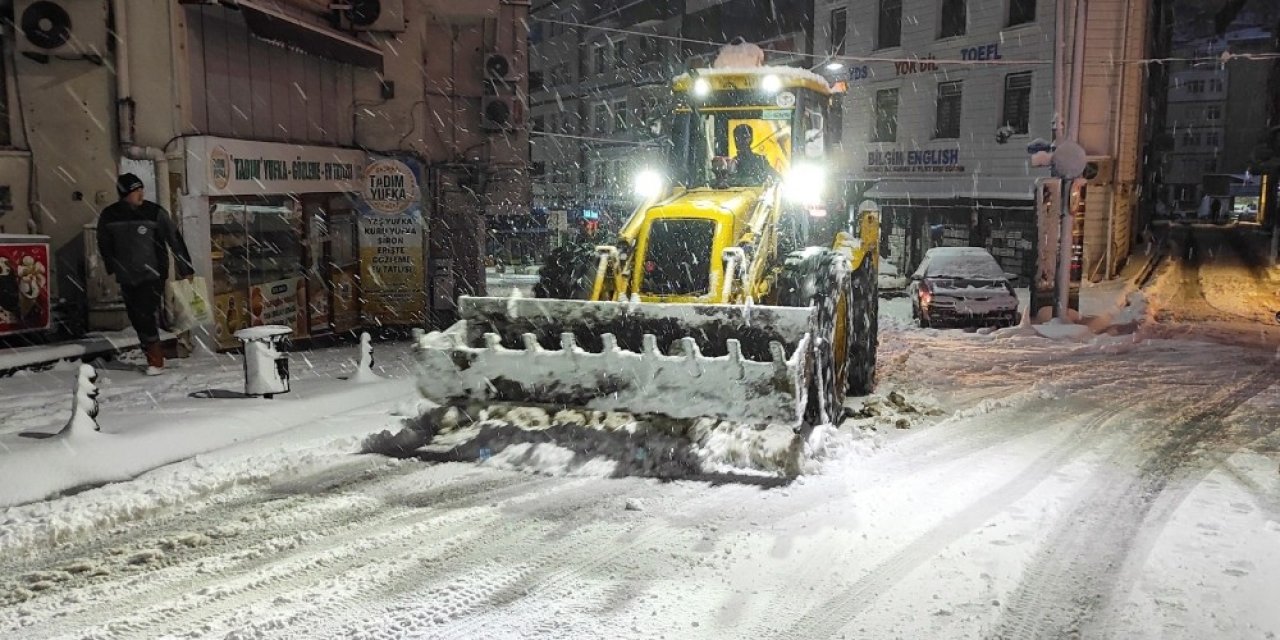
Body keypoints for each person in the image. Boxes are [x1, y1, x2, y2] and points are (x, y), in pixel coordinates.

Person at [96, 173, 194, 375]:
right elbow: (104, 242)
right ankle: (150, 350)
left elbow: (174, 239)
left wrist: (186, 268)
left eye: (141, 189)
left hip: (153, 273)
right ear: (124, 194)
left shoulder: (154, 212)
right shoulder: (110, 215)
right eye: (135, 191)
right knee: (135, 316)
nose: (141, 194)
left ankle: (155, 360)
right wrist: (112, 265)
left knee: (145, 313)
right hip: (126, 275)